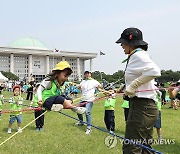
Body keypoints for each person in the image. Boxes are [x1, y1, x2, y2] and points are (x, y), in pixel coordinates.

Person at [116, 27, 161, 153]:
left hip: (142, 107)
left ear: (131, 43)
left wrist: (133, 86)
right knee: (145, 149)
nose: (121, 45)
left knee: (131, 148)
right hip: (144, 107)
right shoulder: (137, 55)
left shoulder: (138, 55)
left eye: (123, 42)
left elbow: (155, 71)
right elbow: (140, 76)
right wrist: (124, 88)